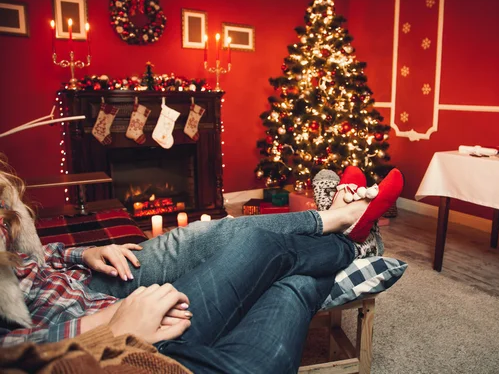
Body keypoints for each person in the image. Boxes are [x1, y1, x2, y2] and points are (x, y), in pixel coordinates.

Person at [0, 155, 404, 373]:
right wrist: (108, 328)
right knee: (268, 260)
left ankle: (339, 230)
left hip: (82, 282)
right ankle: (344, 235)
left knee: (205, 232)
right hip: (95, 324)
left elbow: (22, 262)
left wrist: (78, 253)